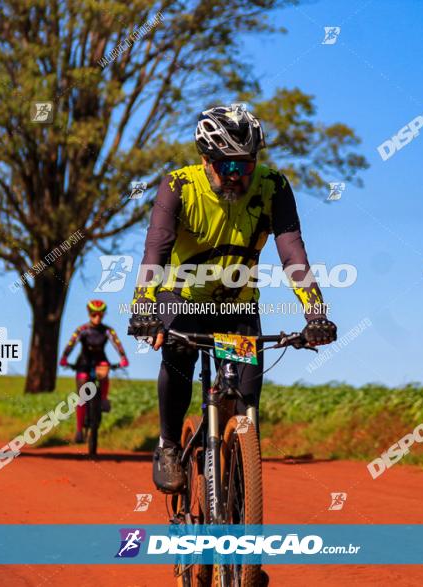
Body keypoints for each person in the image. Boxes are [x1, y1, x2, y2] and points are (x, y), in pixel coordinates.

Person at [128, 104, 338, 494]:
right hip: (183, 298)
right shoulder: (178, 186)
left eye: (246, 165)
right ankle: (170, 446)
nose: (238, 176)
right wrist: (143, 307)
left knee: (246, 404)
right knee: (179, 355)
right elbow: (156, 248)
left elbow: (292, 252)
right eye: (227, 167)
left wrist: (316, 313)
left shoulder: (273, 186)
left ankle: (239, 485)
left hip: (237, 305)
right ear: (206, 160)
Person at [59, 299, 129, 443]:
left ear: (103, 315)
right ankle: (79, 430)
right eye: (94, 314)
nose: (97, 317)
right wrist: (65, 357)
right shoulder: (82, 330)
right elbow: (71, 343)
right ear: (89, 314)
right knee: (82, 395)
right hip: (83, 362)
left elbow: (117, 343)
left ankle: (103, 398)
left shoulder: (108, 330)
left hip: (100, 361)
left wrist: (123, 357)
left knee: (104, 370)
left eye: (100, 315)